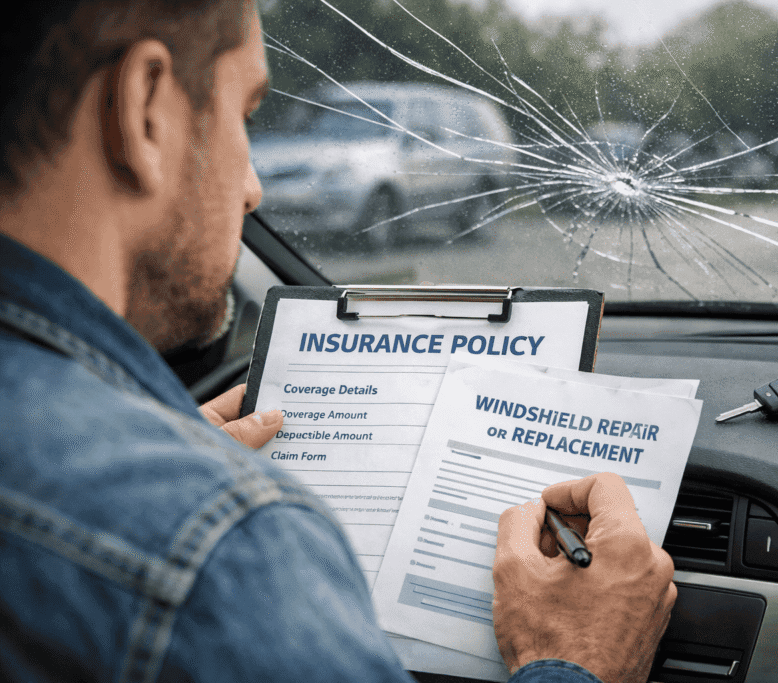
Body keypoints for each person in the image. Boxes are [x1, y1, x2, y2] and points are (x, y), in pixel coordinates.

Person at [0, 1, 677, 681]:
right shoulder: (217, 547)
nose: (255, 189)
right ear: (145, 109)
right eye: (246, 115)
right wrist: (580, 660)